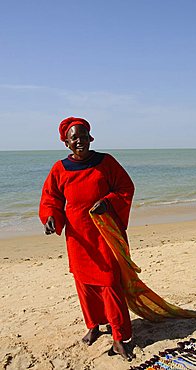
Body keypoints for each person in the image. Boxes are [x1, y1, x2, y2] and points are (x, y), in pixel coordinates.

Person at [39, 117, 135, 360]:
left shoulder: (106, 162)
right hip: (78, 236)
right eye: (74, 138)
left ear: (90, 138)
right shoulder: (59, 169)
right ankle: (93, 325)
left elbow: (125, 188)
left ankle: (118, 336)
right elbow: (52, 198)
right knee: (85, 284)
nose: (79, 141)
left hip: (104, 233)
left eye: (83, 136)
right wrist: (50, 217)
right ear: (66, 143)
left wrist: (108, 202)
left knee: (110, 282)